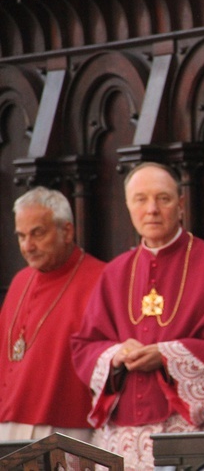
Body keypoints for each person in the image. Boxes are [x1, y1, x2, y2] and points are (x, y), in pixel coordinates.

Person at [70, 162, 204, 470]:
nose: (152, 209)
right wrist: (117, 354)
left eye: (163, 198)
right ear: (128, 207)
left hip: (193, 432)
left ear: (181, 204)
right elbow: (84, 345)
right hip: (124, 435)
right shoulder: (114, 273)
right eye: (140, 199)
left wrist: (166, 355)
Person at [0, 187, 105, 442]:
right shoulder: (20, 281)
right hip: (8, 427)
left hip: (69, 428)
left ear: (67, 231)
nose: (28, 246)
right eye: (21, 236)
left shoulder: (102, 279)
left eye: (37, 233)